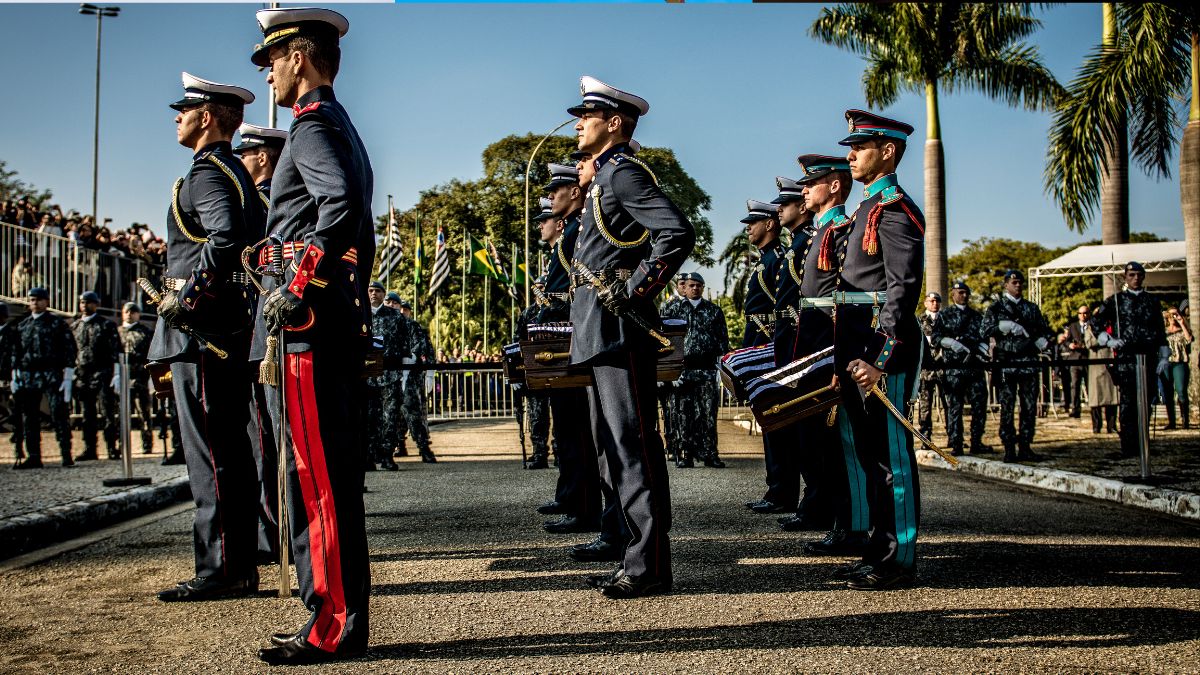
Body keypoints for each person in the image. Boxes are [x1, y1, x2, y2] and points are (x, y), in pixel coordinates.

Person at [250, 7, 372, 664]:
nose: (268, 71)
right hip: (329, 327)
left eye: (272, 58)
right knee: (328, 480)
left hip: (309, 330)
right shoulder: (337, 125)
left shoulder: (312, 128)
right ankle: (337, 614)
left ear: (299, 57)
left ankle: (331, 622)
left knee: (316, 481)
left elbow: (342, 209)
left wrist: (297, 286)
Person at [566, 75, 693, 599]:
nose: (578, 124)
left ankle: (650, 565)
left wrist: (638, 286)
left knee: (631, 445)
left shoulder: (623, 175)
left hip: (619, 329)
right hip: (598, 328)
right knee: (611, 448)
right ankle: (631, 553)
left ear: (613, 123)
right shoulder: (603, 179)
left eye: (586, 115)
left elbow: (677, 231)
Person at [150, 72, 263, 602]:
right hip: (226, 325)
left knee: (211, 455)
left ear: (209, 116)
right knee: (230, 451)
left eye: (184, 110)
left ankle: (222, 570)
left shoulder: (206, 174)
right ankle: (234, 565)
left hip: (203, 330)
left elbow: (227, 236)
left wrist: (191, 295)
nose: (176, 117)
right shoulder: (235, 171)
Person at [834, 110, 925, 590]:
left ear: (887, 152)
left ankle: (898, 557)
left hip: (878, 349)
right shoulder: (867, 209)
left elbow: (902, 289)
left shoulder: (894, 209)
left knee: (892, 457)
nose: (850, 155)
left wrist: (878, 358)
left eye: (860, 146)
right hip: (855, 346)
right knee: (871, 457)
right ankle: (878, 547)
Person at [792, 154, 869, 553]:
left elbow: (842, 301)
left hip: (830, 347)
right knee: (826, 443)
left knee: (844, 442)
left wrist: (838, 357)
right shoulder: (819, 231)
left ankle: (853, 526)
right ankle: (844, 521)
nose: (804, 189)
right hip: (816, 346)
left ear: (834, 186)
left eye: (813, 182)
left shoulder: (841, 230)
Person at [539, 162, 604, 533]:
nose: (550, 199)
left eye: (554, 192)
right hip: (568, 341)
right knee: (570, 432)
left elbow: (575, 293)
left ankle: (583, 508)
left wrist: (551, 303)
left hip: (576, 340)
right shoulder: (574, 234)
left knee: (580, 433)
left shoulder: (577, 232)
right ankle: (577, 502)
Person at [235, 122, 288, 564]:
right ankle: (273, 534)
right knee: (264, 440)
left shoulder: (268, 204)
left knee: (271, 441)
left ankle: (278, 536)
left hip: (268, 335)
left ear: (264, 158)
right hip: (258, 333)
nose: (241, 161)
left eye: (246, 154)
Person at [1089, 261, 1169, 458]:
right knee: (1127, 404)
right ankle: (1128, 446)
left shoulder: (1152, 301)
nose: (1135, 278)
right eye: (1131, 275)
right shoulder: (1115, 301)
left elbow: (1160, 329)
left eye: (1139, 274)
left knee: (1146, 402)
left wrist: (1164, 355)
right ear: (1125, 277)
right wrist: (1108, 340)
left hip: (1148, 356)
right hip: (1126, 357)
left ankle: (1144, 444)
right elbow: (1095, 321)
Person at [981, 269, 1053, 463]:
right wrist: (1002, 327)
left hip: (1028, 362)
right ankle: (1009, 447)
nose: (1018, 285)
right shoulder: (996, 308)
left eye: (1020, 282)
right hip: (1007, 363)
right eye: (1014, 282)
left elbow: (1043, 330)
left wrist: (1043, 341)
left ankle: (1026, 446)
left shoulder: (1031, 308)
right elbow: (984, 329)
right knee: (1007, 407)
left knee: (1029, 407)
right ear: (1006, 284)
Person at [663, 272, 728, 468]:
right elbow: (664, 341)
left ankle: (710, 454)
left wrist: (720, 369)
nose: (695, 288)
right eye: (691, 285)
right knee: (683, 414)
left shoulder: (714, 311)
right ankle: (685, 454)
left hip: (706, 369)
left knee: (708, 414)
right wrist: (669, 371)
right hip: (682, 371)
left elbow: (723, 342)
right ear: (685, 287)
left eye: (698, 285)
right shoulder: (672, 309)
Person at [11, 287, 76, 469]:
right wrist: (15, 374)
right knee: (29, 416)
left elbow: (69, 349)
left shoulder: (57, 323)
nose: (35, 303)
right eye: (32, 299)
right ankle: (33, 455)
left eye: (39, 299)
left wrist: (68, 376)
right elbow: (16, 352)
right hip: (28, 375)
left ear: (46, 302)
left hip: (52, 373)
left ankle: (65, 453)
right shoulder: (23, 325)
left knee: (58, 413)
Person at [931, 281, 992, 456]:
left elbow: (984, 338)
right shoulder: (945, 315)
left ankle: (976, 441)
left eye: (966, 293)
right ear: (953, 294)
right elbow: (935, 338)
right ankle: (956, 443)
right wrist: (950, 343)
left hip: (974, 367)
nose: (964, 296)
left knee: (979, 405)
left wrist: (982, 348)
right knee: (955, 407)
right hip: (955, 369)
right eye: (960, 292)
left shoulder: (976, 316)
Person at [517, 200, 556, 471]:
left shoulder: (557, 310)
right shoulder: (528, 314)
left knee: (565, 419)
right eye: (538, 288)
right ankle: (539, 453)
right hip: (537, 373)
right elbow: (519, 343)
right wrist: (519, 375)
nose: (541, 292)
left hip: (559, 368)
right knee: (538, 416)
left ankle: (562, 454)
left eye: (545, 287)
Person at [72, 290, 121, 460]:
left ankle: (112, 447)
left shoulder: (106, 325)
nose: (85, 305)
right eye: (82, 302)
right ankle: (89, 448)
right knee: (87, 414)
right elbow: (71, 352)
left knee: (107, 412)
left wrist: (116, 374)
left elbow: (116, 350)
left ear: (96, 304)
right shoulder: (75, 326)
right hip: (83, 374)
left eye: (89, 302)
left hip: (103, 373)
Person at [365, 281, 404, 471]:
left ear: (384, 294)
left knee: (390, 417)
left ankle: (388, 455)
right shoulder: (359, 314)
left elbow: (404, 342)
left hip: (390, 374)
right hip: (367, 375)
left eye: (378, 291)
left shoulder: (395, 316)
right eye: (370, 290)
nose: (373, 294)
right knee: (369, 418)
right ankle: (369, 456)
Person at [397, 298, 437, 463]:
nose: (402, 311)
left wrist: (430, 374)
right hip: (392, 376)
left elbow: (426, 351)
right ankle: (399, 445)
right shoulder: (388, 324)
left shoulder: (414, 327)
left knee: (414, 414)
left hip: (413, 378)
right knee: (395, 414)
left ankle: (423, 447)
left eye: (405, 309)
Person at [118, 302, 155, 455]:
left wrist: (152, 377)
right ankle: (121, 446)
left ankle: (147, 444)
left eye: (132, 312)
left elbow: (151, 355)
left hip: (141, 377)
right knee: (121, 414)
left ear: (138, 314)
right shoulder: (117, 332)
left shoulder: (145, 332)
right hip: (122, 377)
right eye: (126, 311)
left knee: (144, 413)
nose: (129, 314)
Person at [1082, 305, 1119, 433]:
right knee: (1096, 398)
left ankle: (1112, 425)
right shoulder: (1090, 328)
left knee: (1112, 397)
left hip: (1110, 364)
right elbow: (1089, 343)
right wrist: (1103, 340)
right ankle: (1096, 426)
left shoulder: (1113, 327)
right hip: (1096, 365)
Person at [916, 292, 942, 439]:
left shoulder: (945, 319)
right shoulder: (919, 320)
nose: (934, 303)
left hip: (944, 368)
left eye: (937, 301)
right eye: (931, 301)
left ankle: (954, 439)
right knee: (925, 405)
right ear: (925, 303)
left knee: (949, 405)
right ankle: (925, 437)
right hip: (926, 370)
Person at [1162, 303, 1192, 430]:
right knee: (1167, 393)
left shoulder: (1183, 328)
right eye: (1171, 314)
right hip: (1166, 363)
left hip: (1180, 362)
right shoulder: (1164, 331)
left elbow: (1189, 339)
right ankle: (1172, 422)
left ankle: (1185, 420)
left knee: (1181, 391)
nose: (1173, 317)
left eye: (1176, 314)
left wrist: (1182, 323)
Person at [1062, 304, 1091, 418]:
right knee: (1075, 385)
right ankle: (1075, 409)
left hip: (1088, 359)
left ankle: (1094, 408)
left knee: (1090, 385)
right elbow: (1066, 341)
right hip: (1075, 359)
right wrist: (1070, 345)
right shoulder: (1073, 326)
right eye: (1080, 313)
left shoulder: (1092, 326)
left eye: (1085, 313)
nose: (1082, 315)